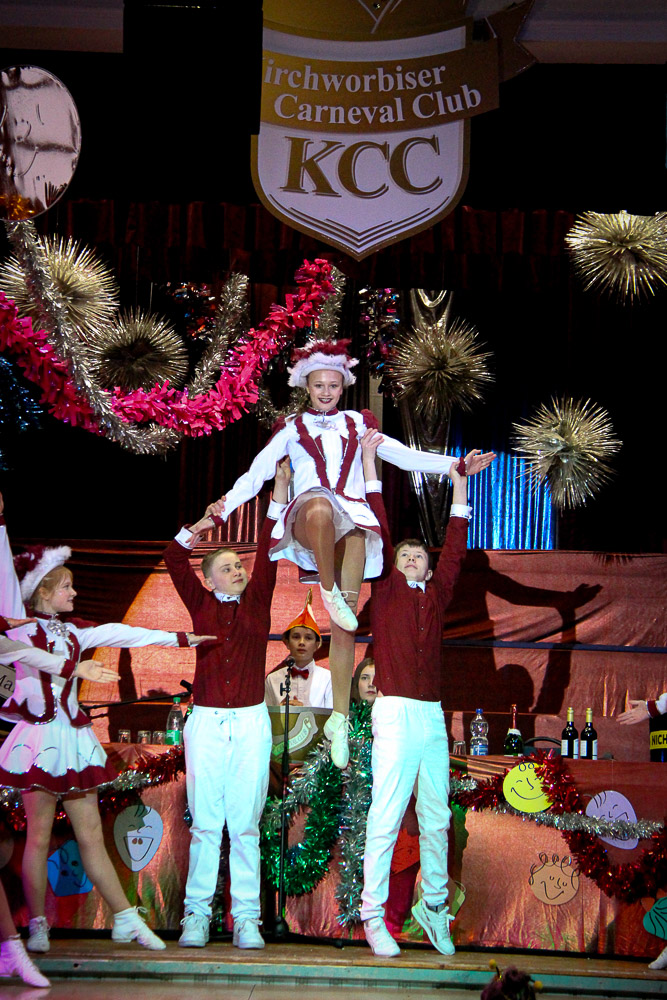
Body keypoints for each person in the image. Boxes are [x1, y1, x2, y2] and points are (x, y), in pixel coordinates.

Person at [211, 338, 495, 768]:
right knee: (321, 506)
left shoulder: (358, 423)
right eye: (318, 385)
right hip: (309, 519)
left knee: (346, 616)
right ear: (306, 386)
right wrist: (222, 509)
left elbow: (402, 456)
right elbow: (255, 475)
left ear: (342, 386)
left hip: (353, 521)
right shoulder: (290, 428)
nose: (326, 392)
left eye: (333, 385)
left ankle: (339, 720)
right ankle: (327, 588)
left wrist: (454, 466)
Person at [0, 494, 214, 954]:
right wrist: (73, 668)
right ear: (42, 592)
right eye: (66, 587)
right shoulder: (19, 632)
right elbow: (17, 653)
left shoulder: (75, 631)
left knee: (92, 835)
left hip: (73, 739)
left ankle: (124, 918)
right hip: (39, 741)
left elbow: (123, 632)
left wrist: (181, 638)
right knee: (37, 837)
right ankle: (37, 924)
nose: (74, 593)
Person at [163, 459, 290, 950]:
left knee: (245, 824)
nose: (238, 571)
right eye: (228, 568)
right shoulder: (200, 605)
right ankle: (196, 916)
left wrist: (278, 492)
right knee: (206, 823)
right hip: (208, 721)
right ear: (211, 579)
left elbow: (271, 551)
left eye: (239, 565)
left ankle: (246, 919)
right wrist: (200, 526)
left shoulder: (258, 601)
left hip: (251, 722)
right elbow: (174, 559)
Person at [359, 429, 473, 958]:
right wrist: (369, 463)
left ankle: (434, 906)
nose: (410, 558)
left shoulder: (439, 592)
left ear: (428, 564)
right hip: (395, 712)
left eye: (417, 555)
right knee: (386, 815)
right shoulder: (384, 589)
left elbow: (456, 543)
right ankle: (372, 914)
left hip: (431, 716)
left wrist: (458, 482)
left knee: (437, 817)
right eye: (402, 554)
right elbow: (378, 520)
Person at [265, 589, 333, 709]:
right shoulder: (272, 679)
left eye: (308, 638)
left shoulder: (328, 678)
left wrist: (304, 710)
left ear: (317, 645)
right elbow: (267, 716)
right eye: (296, 637)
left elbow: (332, 716)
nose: (301, 643)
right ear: (287, 642)